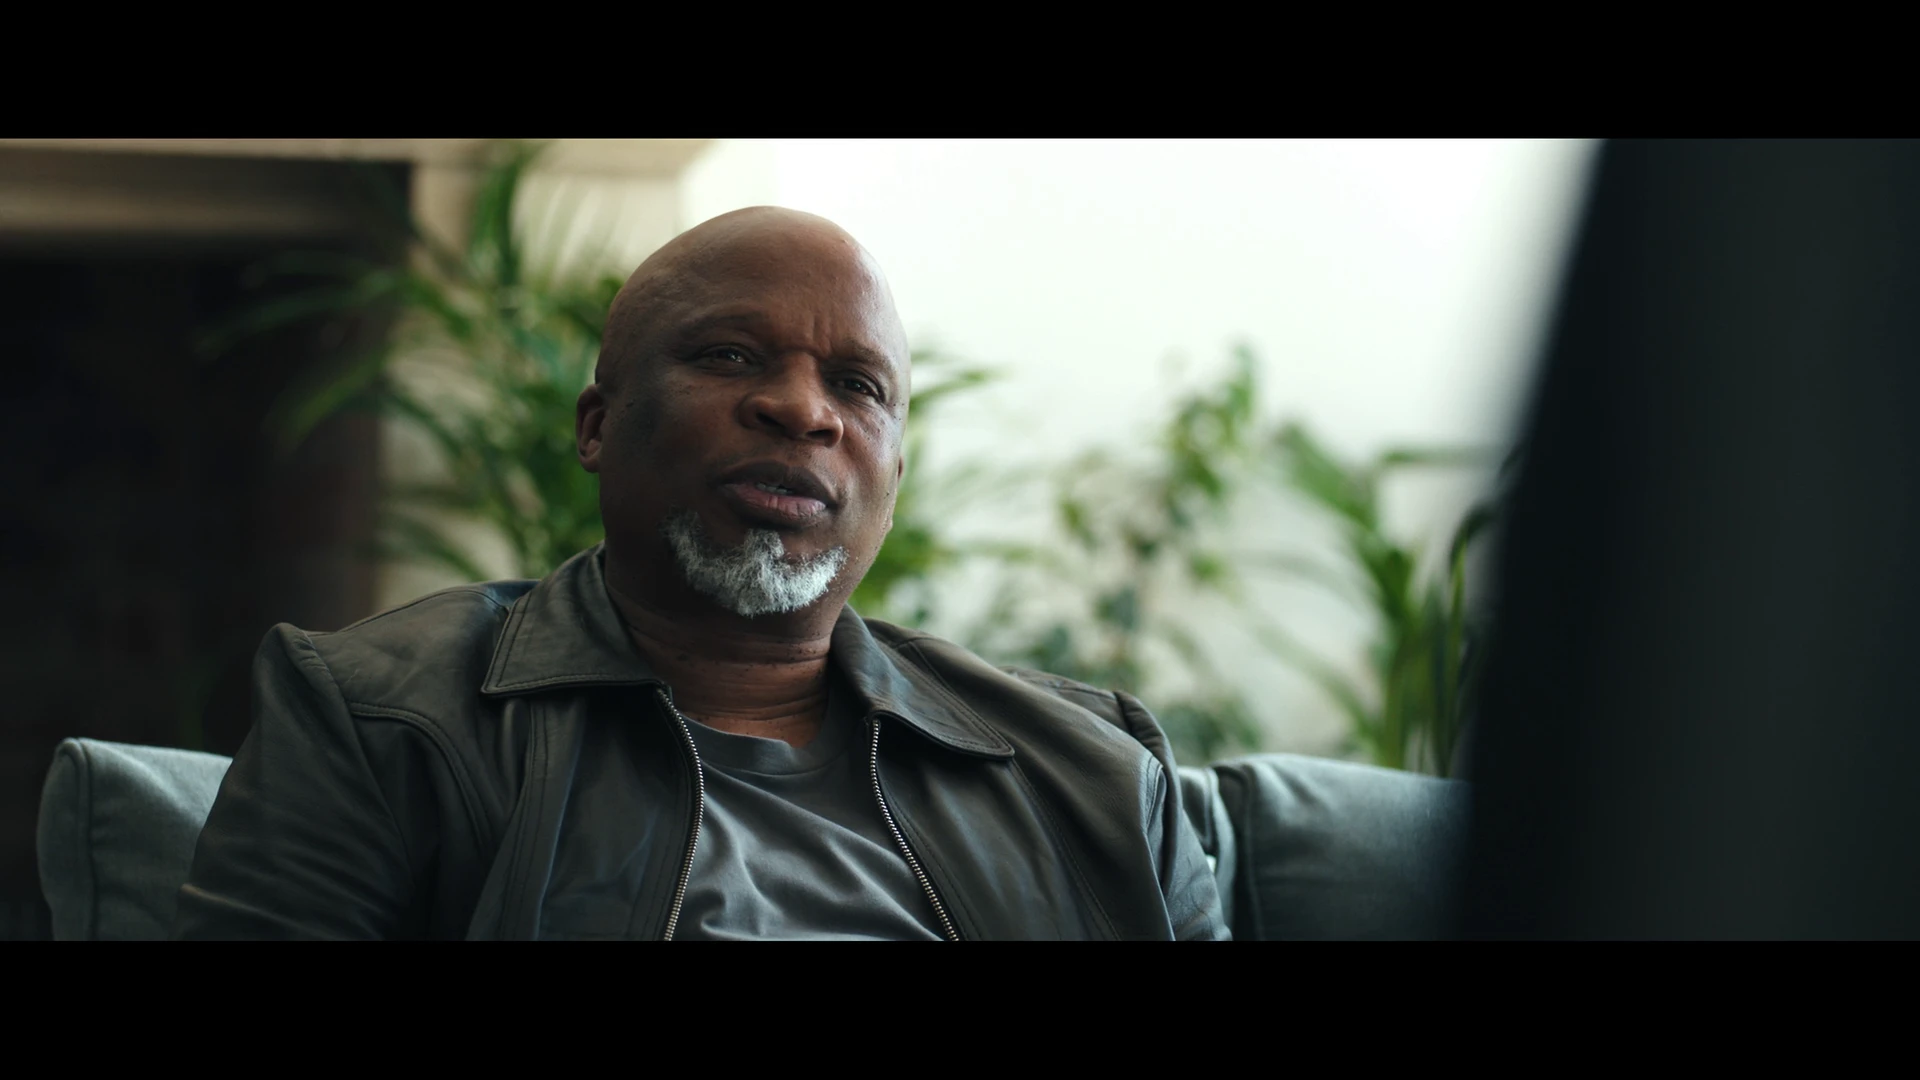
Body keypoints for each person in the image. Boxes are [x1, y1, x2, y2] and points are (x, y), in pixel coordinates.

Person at [172, 206, 1229, 940]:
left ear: (894, 478)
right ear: (597, 426)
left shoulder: (1094, 772)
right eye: (729, 356)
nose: (803, 410)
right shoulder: (382, 719)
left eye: (858, 385)